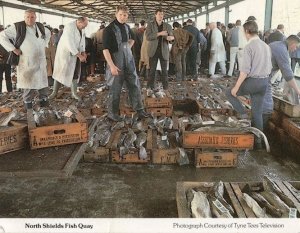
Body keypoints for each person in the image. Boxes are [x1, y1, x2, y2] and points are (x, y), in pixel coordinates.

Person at [102, 5, 149, 122]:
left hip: (129, 61)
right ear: (116, 14)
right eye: (121, 15)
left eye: (125, 15)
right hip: (116, 62)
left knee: (135, 84)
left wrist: (127, 48)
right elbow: (105, 50)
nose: (123, 17)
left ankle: (139, 109)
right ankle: (112, 113)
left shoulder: (127, 27)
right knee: (115, 88)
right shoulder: (109, 29)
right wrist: (112, 66)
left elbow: (132, 39)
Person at [226, 20, 272, 139]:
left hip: (254, 82)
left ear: (247, 31)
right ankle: (259, 142)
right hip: (264, 82)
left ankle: (243, 115)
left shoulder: (249, 47)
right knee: (257, 113)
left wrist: (236, 88)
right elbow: (270, 67)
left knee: (229, 92)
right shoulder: (266, 46)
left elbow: (244, 71)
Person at [0, 9, 51, 109]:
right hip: (27, 61)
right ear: (24, 17)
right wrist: (13, 49)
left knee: (43, 84)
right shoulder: (18, 27)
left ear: (36, 17)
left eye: (32, 17)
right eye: (27, 17)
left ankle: (44, 105)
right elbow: (2, 36)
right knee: (29, 84)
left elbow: (48, 34)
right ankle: (28, 106)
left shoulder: (40, 27)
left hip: (40, 60)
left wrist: (44, 43)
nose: (30, 19)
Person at [262, 35, 300, 129]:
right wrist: (298, 92)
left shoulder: (275, 44)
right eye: (296, 47)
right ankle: (260, 135)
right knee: (267, 108)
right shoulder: (282, 51)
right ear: (292, 44)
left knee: (260, 104)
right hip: (261, 79)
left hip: (257, 77)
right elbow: (288, 75)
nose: (295, 49)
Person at [50, 17, 88, 100]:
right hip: (65, 54)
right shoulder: (69, 27)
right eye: (84, 25)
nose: (84, 27)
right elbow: (69, 43)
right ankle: (54, 92)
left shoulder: (81, 28)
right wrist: (79, 55)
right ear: (79, 22)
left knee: (74, 72)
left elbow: (82, 41)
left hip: (76, 54)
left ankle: (74, 93)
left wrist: (83, 51)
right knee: (59, 73)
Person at [146, 8, 174, 90]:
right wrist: (159, 33)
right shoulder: (150, 25)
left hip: (164, 51)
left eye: (162, 14)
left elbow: (171, 37)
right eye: (159, 14)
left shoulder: (168, 26)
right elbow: (148, 37)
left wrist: (171, 38)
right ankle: (150, 87)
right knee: (152, 71)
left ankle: (166, 88)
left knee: (165, 71)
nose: (161, 16)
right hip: (153, 51)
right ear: (155, 15)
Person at [0, 25, 12, 93]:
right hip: (1, 61)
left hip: (7, 61)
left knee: (8, 77)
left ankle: (10, 91)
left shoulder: (7, 39)